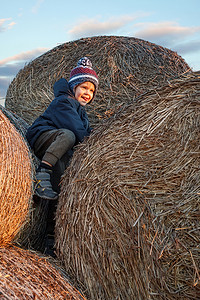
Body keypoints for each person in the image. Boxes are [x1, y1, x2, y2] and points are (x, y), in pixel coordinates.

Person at [26, 57, 99, 201]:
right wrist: (93, 147)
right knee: (69, 136)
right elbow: (78, 130)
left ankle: (51, 203)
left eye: (91, 90)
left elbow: (87, 131)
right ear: (74, 87)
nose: (88, 93)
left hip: (57, 144)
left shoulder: (81, 110)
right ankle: (41, 174)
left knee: (64, 166)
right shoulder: (64, 101)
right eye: (84, 87)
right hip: (42, 136)